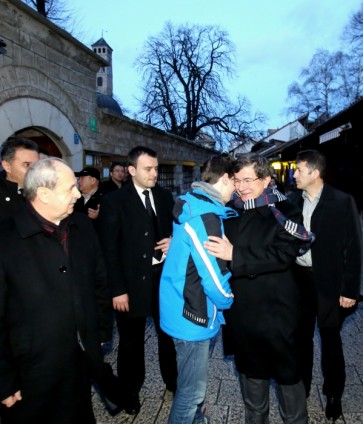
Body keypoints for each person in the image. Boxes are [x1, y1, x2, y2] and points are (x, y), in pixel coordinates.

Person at [0, 158, 116, 424]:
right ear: (43, 194)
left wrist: (99, 331)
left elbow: (99, 281)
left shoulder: (82, 226)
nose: (78, 193)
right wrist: (4, 380)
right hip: (31, 374)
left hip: (79, 363)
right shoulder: (6, 239)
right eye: (70, 189)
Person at [205, 153, 311, 424]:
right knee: (252, 389)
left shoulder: (286, 211)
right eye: (236, 180)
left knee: (289, 382)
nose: (241, 186)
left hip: (278, 313)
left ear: (266, 179)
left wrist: (235, 254)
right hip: (243, 315)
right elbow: (208, 242)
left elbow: (282, 254)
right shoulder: (230, 212)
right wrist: (178, 241)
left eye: (248, 180)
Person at [98, 146, 177, 415]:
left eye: (156, 168)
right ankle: (129, 392)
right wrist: (117, 290)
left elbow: (178, 229)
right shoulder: (115, 201)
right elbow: (108, 249)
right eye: (148, 169)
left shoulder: (166, 197)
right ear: (132, 170)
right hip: (130, 285)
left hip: (163, 279)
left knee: (168, 335)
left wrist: (174, 241)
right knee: (131, 342)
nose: (154, 173)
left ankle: (173, 381)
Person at [159, 154, 237, 424]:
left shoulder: (192, 204)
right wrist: (229, 300)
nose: (237, 188)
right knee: (191, 394)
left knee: (190, 387)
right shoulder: (206, 217)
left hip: (178, 305)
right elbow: (213, 278)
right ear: (225, 178)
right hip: (192, 314)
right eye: (235, 182)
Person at [290, 149, 361, 421]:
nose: (294, 174)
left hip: (330, 285)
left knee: (330, 340)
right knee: (301, 339)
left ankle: (333, 394)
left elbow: (353, 249)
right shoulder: (293, 201)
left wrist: (350, 291)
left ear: (314, 173)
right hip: (299, 281)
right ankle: (302, 388)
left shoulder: (342, 202)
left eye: (299, 170)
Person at [0, 136, 39, 221]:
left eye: (37, 165)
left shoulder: (46, 189)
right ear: (7, 166)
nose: (34, 170)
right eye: (27, 164)